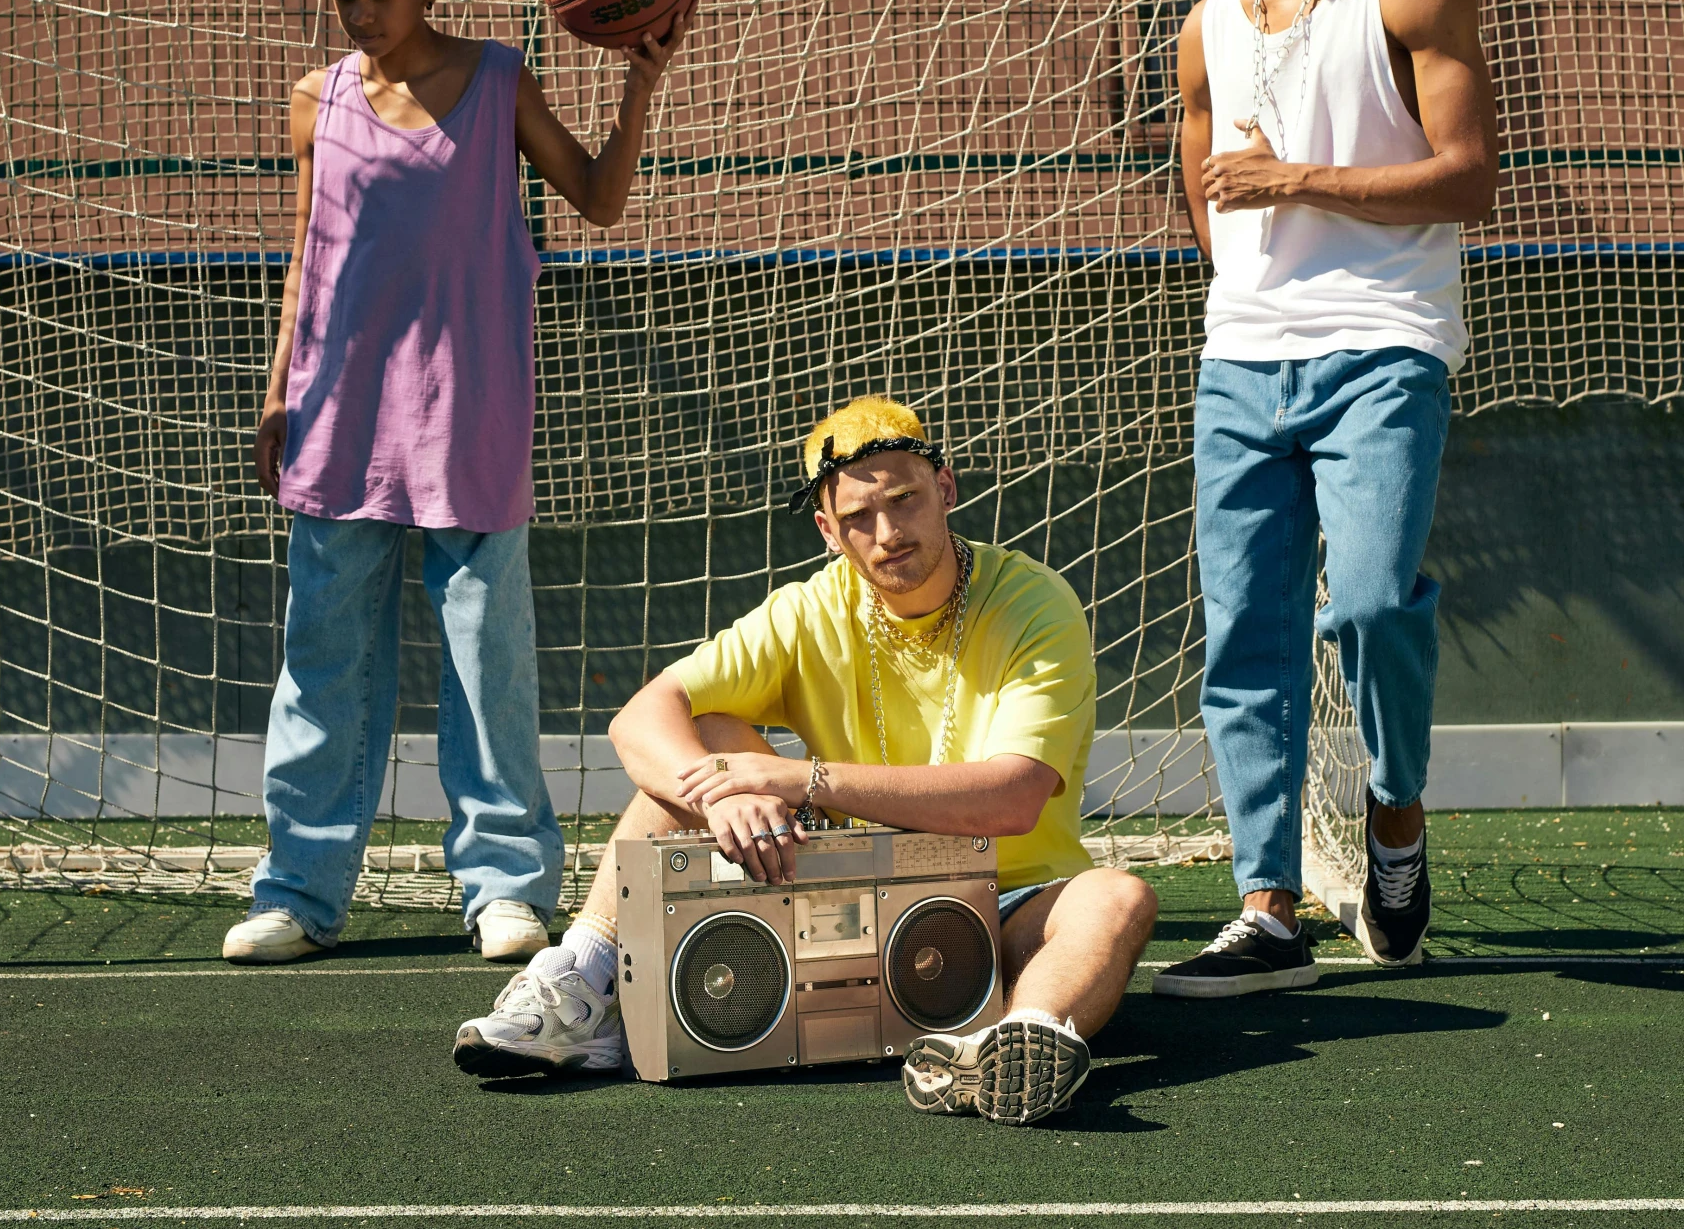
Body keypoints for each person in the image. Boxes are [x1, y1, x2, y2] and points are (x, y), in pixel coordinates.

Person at [450, 396, 1157, 1126]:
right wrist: (722, 793)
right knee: (705, 739)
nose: (887, 533)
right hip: (855, 899)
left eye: (905, 499)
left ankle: (1007, 1049)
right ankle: (582, 987)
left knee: (1116, 897)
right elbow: (640, 715)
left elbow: (1013, 796)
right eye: (857, 517)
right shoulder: (810, 609)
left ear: (945, 488)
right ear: (828, 530)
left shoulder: (1033, 602)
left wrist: (804, 778)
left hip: (1007, 902)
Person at [222, 0, 691, 966]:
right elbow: (308, 255)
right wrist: (275, 387)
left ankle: (505, 885)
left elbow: (598, 199)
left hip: (466, 406)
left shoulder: (495, 80)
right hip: (338, 413)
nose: (358, 15)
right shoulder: (316, 97)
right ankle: (298, 889)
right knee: (322, 661)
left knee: (487, 662)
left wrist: (639, 83)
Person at [1152, 0, 1498, 996]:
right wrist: (1249, 285)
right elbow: (1203, 189)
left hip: (1383, 342)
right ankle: (1265, 900)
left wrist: (1297, 185)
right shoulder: (1205, 18)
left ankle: (1393, 812)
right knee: (1243, 637)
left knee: (1363, 603)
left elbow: (1468, 176)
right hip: (1241, 360)